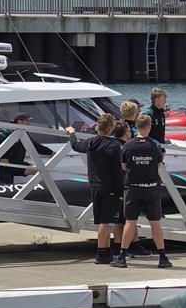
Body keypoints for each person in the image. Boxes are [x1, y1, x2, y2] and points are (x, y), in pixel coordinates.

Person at [111, 114, 172, 269]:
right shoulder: (154, 145)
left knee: (130, 222)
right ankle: (162, 257)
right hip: (151, 187)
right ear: (149, 126)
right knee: (155, 223)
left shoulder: (128, 145)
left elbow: (123, 166)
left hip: (132, 187)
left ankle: (122, 256)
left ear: (136, 127)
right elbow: (159, 164)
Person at [66, 114, 124, 265]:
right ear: (110, 128)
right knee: (106, 223)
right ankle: (101, 253)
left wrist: (72, 133)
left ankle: (105, 251)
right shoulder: (113, 146)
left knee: (102, 222)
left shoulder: (91, 142)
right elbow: (117, 172)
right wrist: (120, 192)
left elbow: (76, 146)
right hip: (109, 188)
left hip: (95, 186)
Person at [0, 113, 53, 185]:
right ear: (19, 122)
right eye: (27, 121)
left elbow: (35, 146)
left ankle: (37, 189)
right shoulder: (7, 132)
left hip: (18, 163)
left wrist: (51, 153)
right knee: (7, 188)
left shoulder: (23, 133)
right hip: (6, 166)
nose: (29, 124)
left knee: (39, 169)